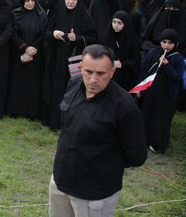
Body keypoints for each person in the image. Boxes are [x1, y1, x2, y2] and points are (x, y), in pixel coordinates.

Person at [49, 45, 147, 217]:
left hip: (94, 193)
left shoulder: (124, 107)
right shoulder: (74, 85)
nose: (93, 79)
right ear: (81, 68)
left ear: (112, 72)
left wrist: (103, 162)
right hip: (61, 182)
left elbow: (137, 155)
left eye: (101, 74)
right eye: (88, 72)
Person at [42, 0, 97, 130]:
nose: (71, 2)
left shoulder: (84, 16)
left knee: (73, 90)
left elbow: (93, 38)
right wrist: (53, 33)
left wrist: (77, 38)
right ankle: (54, 121)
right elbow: (46, 33)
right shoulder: (57, 13)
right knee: (56, 88)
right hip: (57, 59)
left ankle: (71, 122)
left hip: (75, 60)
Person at [138, 29, 184, 154]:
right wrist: (140, 88)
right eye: (164, 42)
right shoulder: (153, 53)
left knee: (160, 118)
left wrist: (167, 66)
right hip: (150, 91)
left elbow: (178, 78)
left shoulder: (178, 58)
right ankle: (144, 139)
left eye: (170, 43)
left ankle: (157, 143)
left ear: (175, 44)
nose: (166, 45)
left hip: (166, 94)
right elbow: (144, 70)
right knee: (147, 114)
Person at [7, 0, 47, 120]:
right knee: (18, 82)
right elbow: (12, 33)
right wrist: (24, 48)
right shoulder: (15, 14)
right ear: (23, 2)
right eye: (27, 1)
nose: (30, 3)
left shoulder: (41, 15)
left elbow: (43, 35)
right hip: (19, 53)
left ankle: (32, 112)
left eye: (32, 1)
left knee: (33, 83)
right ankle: (15, 110)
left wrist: (32, 50)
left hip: (35, 54)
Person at [99, 11, 141, 92]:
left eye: (119, 23)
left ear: (125, 24)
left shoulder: (131, 40)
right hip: (107, 73)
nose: (116, 25)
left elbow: (135, 60)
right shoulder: (106, 36)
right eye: (114, 22)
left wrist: (122, 64)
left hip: (124, 76)